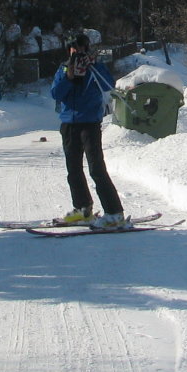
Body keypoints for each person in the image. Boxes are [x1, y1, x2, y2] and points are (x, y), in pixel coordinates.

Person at [50, 33, 125, 228]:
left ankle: (114, 213)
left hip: (90, 123)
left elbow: (108, 85)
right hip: (68, 123)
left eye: (81, 47)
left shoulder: (95, 67)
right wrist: (69, 75)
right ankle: (83, 209)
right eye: (73, 47)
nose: (77, 51)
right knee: (73, 170)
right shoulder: (64, 68)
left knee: (96, 168)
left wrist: (93, 66)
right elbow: (55, 93)